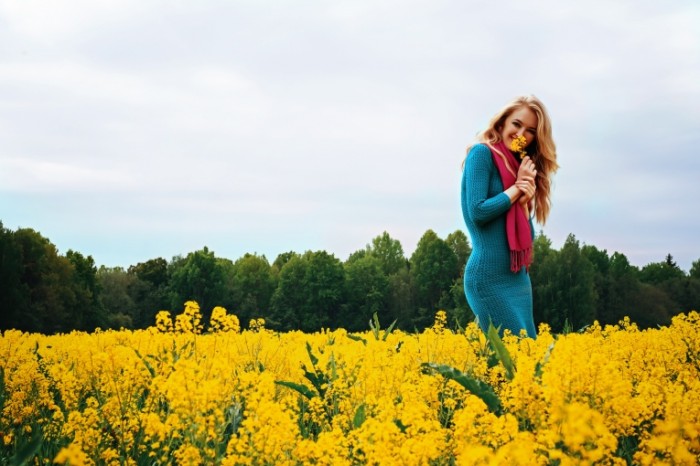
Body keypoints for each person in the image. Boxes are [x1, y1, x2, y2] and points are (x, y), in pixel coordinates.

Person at [461, 95, 558, 338]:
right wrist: (517, 188)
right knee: (514, 359)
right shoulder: (481, 154)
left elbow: (527, 237)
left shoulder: (518, 167)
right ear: (502, 122)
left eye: (531, 131)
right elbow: (478, 212)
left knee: (528, 362)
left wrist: (524, 202)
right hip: (487, 278)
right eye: (517, 124)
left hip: (518, 280)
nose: (521, 134)